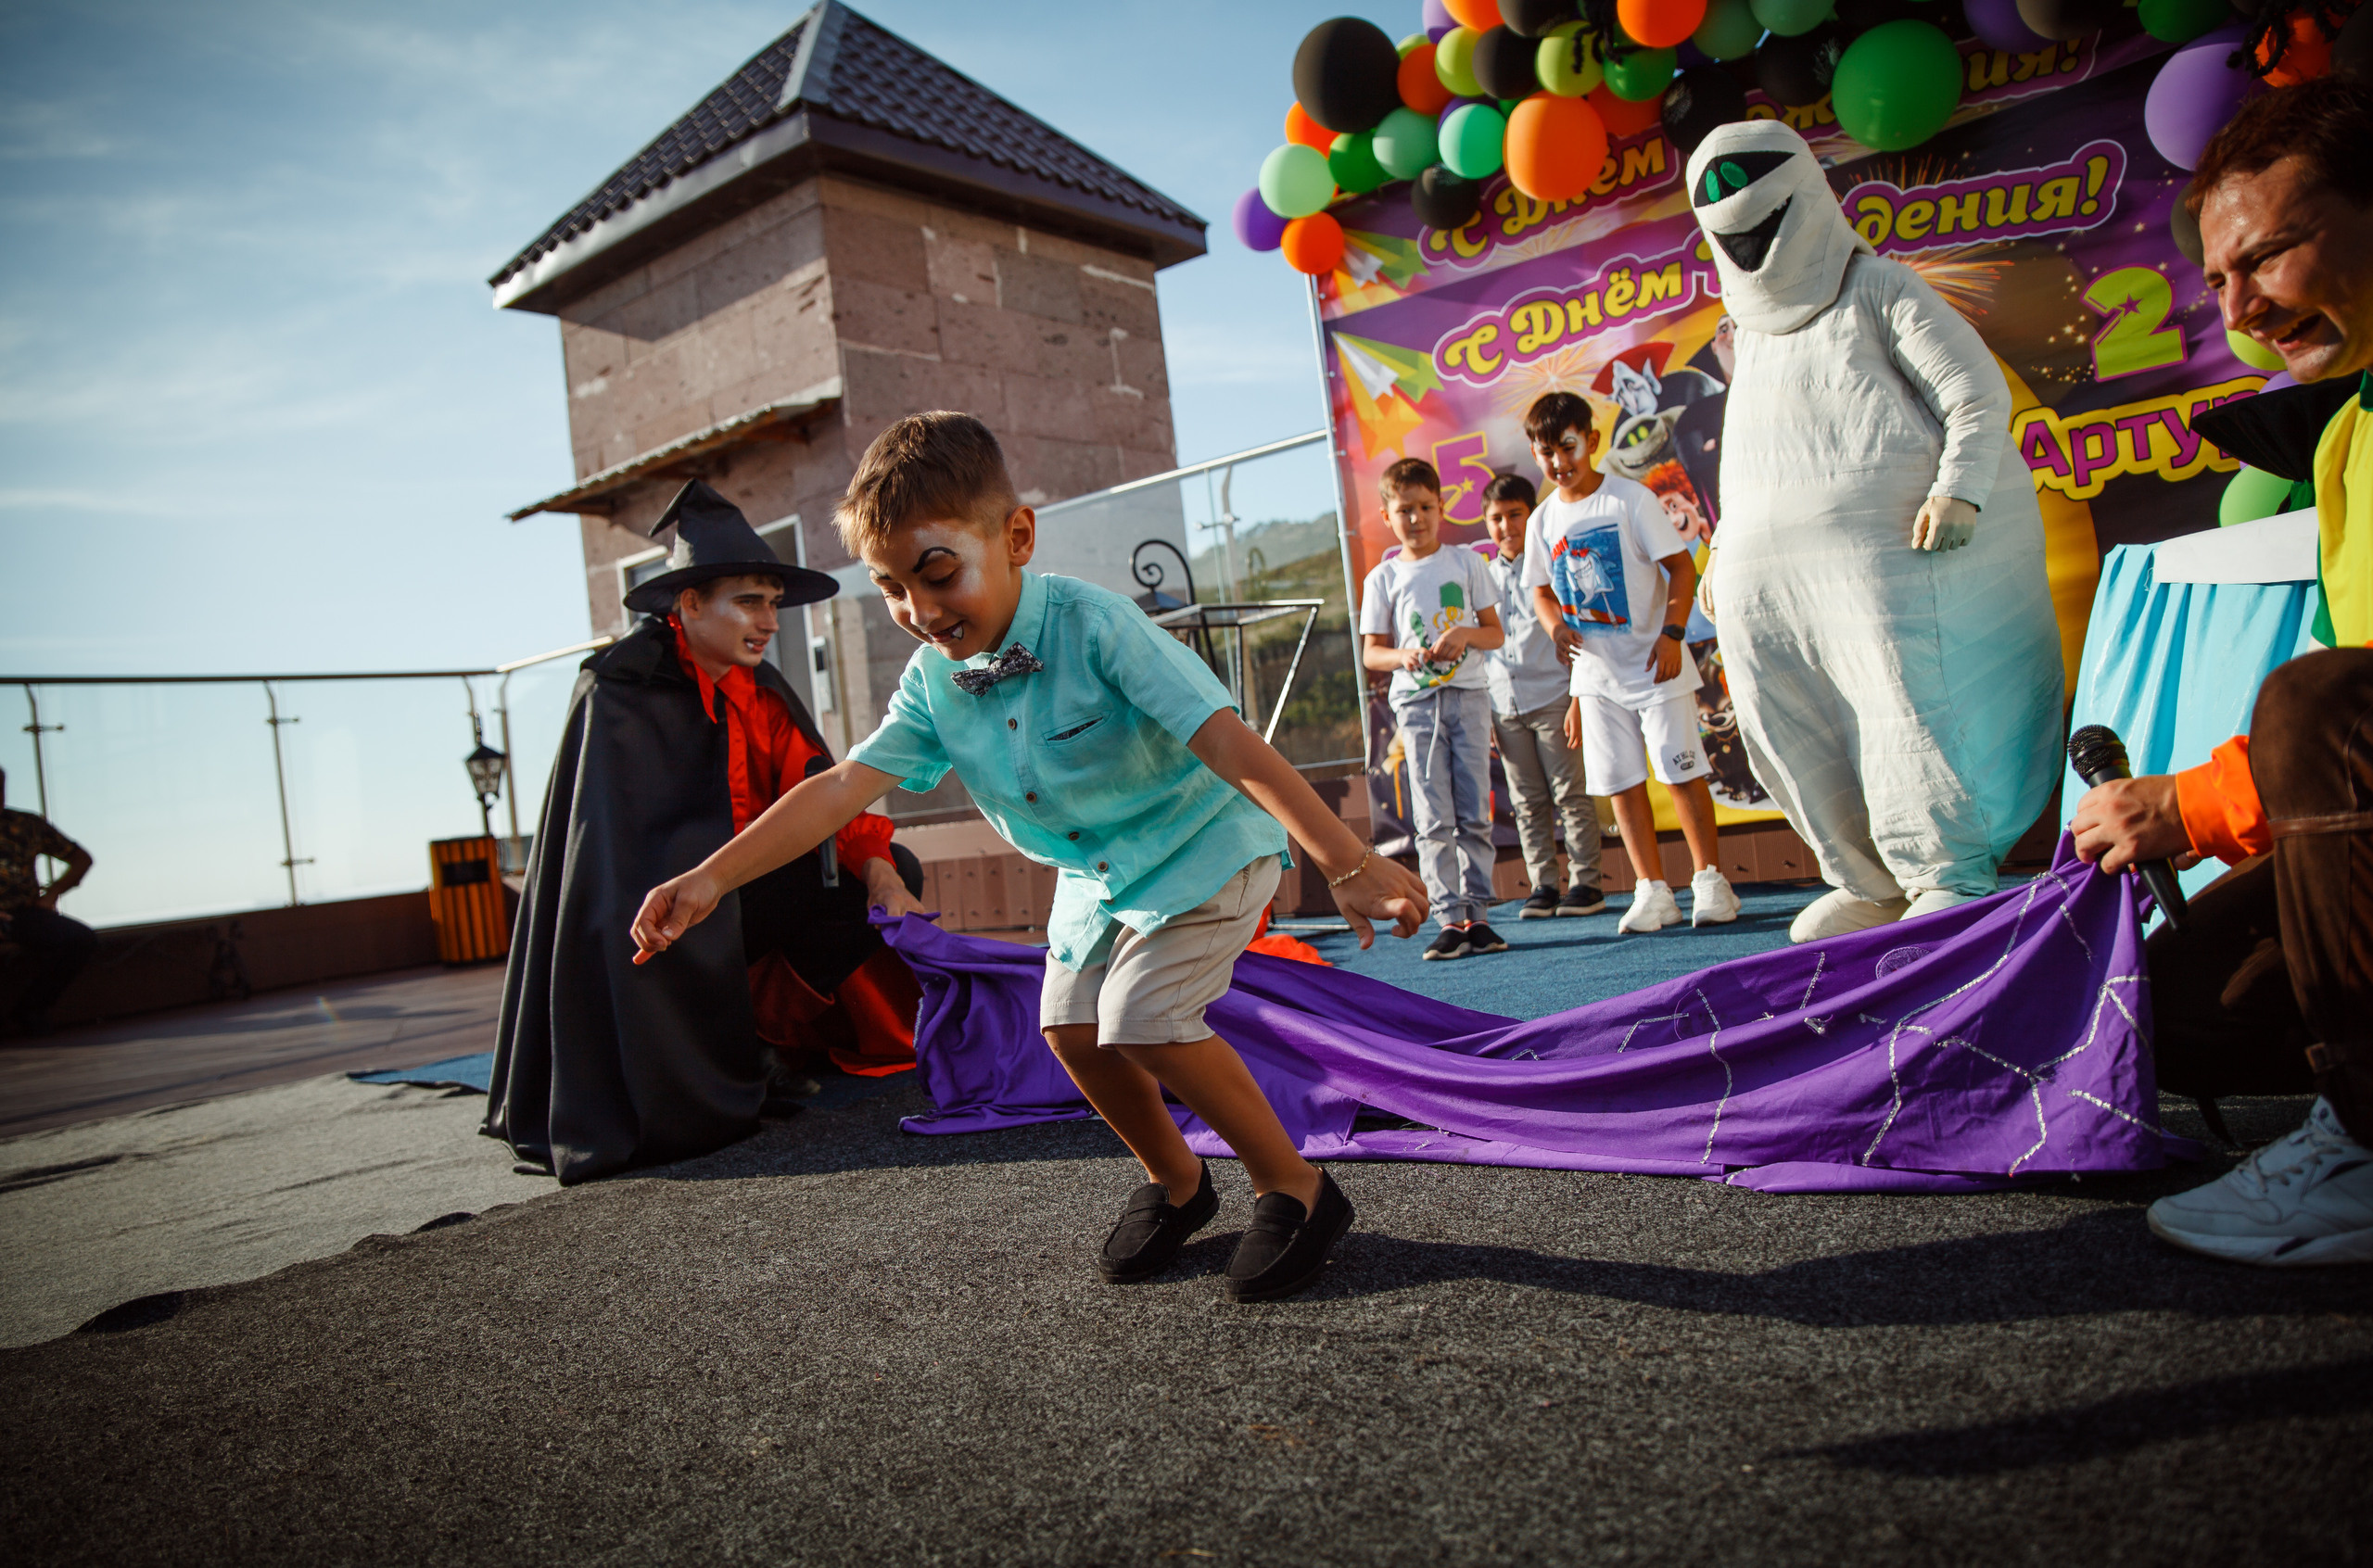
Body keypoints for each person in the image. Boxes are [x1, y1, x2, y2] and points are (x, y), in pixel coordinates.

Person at [629, 412, 1430, 1304]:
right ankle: (1178, 1183)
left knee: (1144, 1015)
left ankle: (1299, 1189)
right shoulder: (934, 679)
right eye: (893, 589)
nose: (921, 613)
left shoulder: (1098, 627)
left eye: (937, 574)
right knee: (1069, 1027)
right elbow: (840, 786)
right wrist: (709, 878)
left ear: (1015, 537)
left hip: (1203, 846)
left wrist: (1347, 858)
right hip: (1096, 877)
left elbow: (1227, 741)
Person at [2072, 77, 2373, 1266]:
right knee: (2180, 1006)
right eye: (2219, 285)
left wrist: (2194, 804)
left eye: (2272, 256)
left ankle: (2365, 1139)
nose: (2244, 308)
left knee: (2308, 699)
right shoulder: (2346, 433)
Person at [486, 479, 930, 1185]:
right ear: (688, 605)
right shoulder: (617, 689)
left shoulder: (765, 692)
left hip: (737, 895)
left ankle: (767, 1042)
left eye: (773, 604)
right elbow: (610, 852)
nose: (768, 621)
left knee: (891, 870)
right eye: (748, 602)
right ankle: (697, 1070)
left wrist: (876, 868)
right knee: (687, 907)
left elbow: (823, 795)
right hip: (648, 914)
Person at [1683, 120, 2064, 943]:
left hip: (1890, 569)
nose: (1746, 240)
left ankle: (1945, 869)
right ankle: (1867, 878)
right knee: (1786, 720)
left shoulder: (1880, 289)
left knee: (1907, 708)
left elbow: (1975, 393)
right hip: (1773, 591)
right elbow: (1745, 457)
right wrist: (1724, 551)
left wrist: (1959, 492)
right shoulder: (1745, 333)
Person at [1520, 391, 1740, 935]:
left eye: (1567, 447)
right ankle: (1652, 890)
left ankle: (1709, 881)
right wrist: (1556, 630)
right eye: (1545, 452)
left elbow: (1681, 570)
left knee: (1681, 772)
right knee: (1620, 782)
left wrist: (1671, 636)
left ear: (1591, 442)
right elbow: (1542, 592)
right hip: (1596, 678)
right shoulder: (1543, 520)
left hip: (1654, 665)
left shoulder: (1629, 500)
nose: (1558, 462)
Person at [1358, 458, 1511, 960]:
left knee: (1474, 810)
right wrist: (1404, 655)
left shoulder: (1467, 562)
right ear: (1386, 515)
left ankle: (1480, 917)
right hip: (1417, 705)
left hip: (1468, 697)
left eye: (1425, 507)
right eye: (1405, 510)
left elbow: (1493, 633)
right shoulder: (1382, 578)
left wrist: (1464, 634)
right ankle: (1448, 918)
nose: (1416, 519)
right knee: (1432, 815)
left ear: (1441, 507)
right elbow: (1371, 652)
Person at [1479, 472, 1607, 920]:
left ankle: (1587, 883)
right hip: (1504, 706)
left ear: (1531, 516)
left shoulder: (1553, 567)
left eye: (1515, 514)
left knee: (1570, 794)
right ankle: (1543, 886)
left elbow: (1576, 636)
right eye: (1496, 518)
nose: (1505, 526)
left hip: (1554, 695)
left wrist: (1577, 697)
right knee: (1527, 802)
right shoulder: (1482, 578)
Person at [0, 766, 95, 1037]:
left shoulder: (25, 825)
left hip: (23, 913)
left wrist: (52, 894)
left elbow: (81, 859)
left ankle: (31, 1009)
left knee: (81, 939)